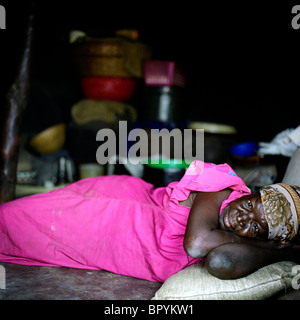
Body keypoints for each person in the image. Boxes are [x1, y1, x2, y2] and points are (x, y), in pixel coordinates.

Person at [0, 160, 299, 282]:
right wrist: (257, 239)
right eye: (249, 205)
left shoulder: (233, 243)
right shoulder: (222, 186)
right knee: (10, 222)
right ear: (250, 193)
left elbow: (221, 262)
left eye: (255, 226)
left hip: (106, 245)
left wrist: (275, 250)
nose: (241, 217)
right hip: (108, 209)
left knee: (30, 244)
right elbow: (196, 244)